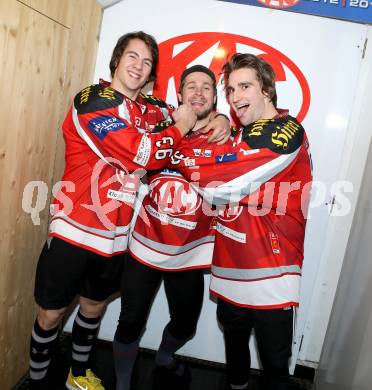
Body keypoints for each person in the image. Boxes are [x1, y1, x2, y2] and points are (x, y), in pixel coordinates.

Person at [29, 31, 199, 390]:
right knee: (52, 313)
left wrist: (217, 121)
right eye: (132, 57)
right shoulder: (94, 98)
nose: (138, 66)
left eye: (147, 61)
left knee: (93, 309)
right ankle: (36, 379)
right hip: (75, 227)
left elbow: (193, 119)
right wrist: (181, 126)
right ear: (117, 59)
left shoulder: (153, 109)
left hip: (117, 236)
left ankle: (78, 375)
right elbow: (144, 153)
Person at [171, 53, 313, 390]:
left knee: (275, 364)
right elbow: (222, 157)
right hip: (231, 262)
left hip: (271, 268)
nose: (236, 97)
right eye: (231, 90)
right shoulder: (241, 132)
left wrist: (180, 155)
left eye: (245, 87)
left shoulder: (286, 130)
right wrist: (220, 120)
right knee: (235, 351)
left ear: (266, 89)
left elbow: (223, 185)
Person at [113, 65, 231, 390]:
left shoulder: (226, 140)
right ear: (178, 95)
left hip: (187, 255)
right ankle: (123, 382)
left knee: (184, 324)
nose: (197, 92)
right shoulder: (161, 128)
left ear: (215, 97)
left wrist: (225, 121)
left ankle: (164, 357)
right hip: (145, 246)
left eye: (206, 87)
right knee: (129, 323)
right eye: (190, 86)